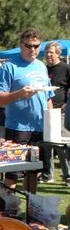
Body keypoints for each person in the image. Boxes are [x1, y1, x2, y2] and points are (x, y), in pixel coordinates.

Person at [0, 29, 54, 188]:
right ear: (21, 45)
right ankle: (9, 208)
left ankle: (30, 208)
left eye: (36, 46)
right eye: (29, 46)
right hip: (18, 127)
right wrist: (19, 94)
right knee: (13, 172)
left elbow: (48, 98)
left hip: (39, 127)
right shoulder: (9, 67)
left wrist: (51, 124)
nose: (33, 50)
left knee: (34, 171)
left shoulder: (41, 66)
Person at [43, 41, 70, 185]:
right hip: (47, 112)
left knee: (62, 146)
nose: (48, 55)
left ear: (58, 53)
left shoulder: (65, 68)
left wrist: (67, 104)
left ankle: (68, 176)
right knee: (47, 145)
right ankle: (48, 174)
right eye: (47, 52)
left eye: (51, 52)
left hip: (61, 112)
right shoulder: (44, 69)